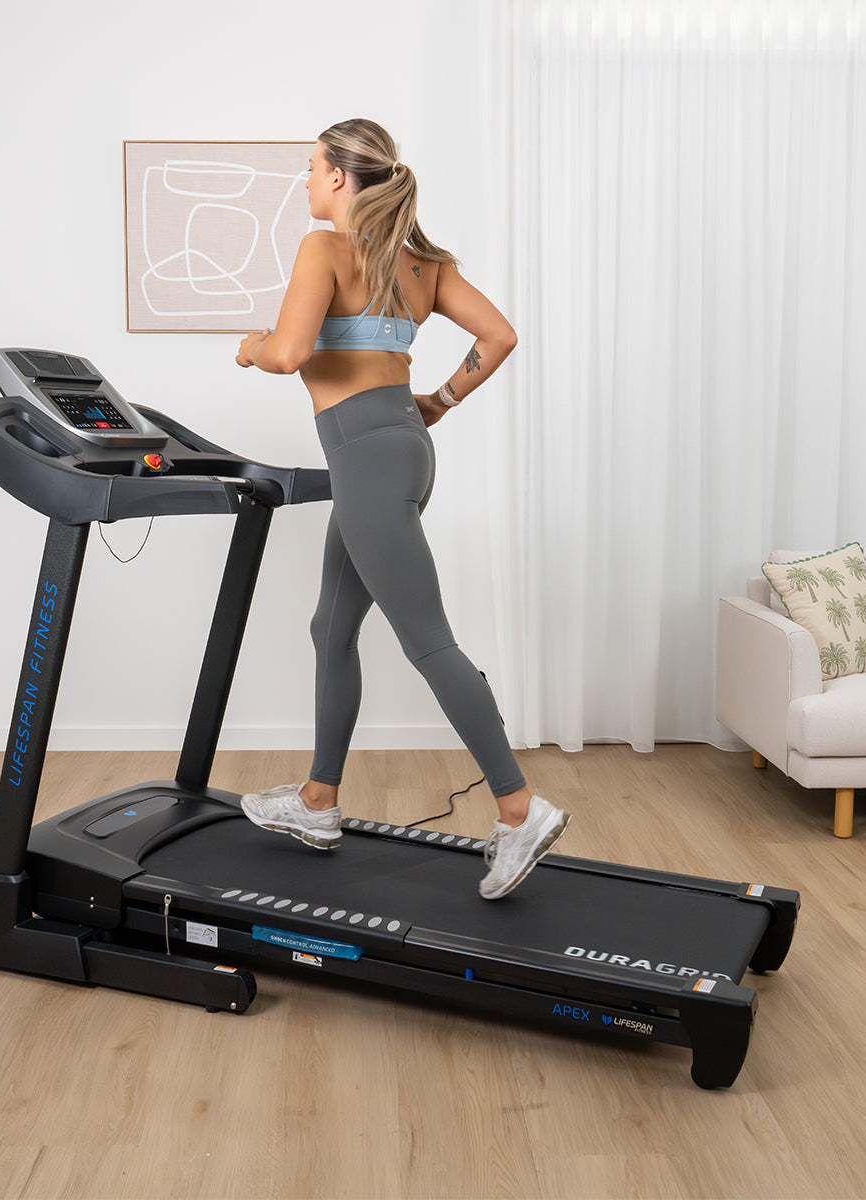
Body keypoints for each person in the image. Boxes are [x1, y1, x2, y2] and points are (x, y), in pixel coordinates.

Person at [235, 118, 569, 899]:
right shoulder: (424, 264)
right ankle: (318, 802)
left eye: (314, 168)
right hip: (401, 449)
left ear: (343, 180)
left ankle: (519, 809)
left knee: (429, 643)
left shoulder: (325, 250)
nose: (308, 181)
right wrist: (443, 400)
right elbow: (500, 335)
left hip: (367, 460)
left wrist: (251, 345)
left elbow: (286, 354)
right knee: (332, 626)